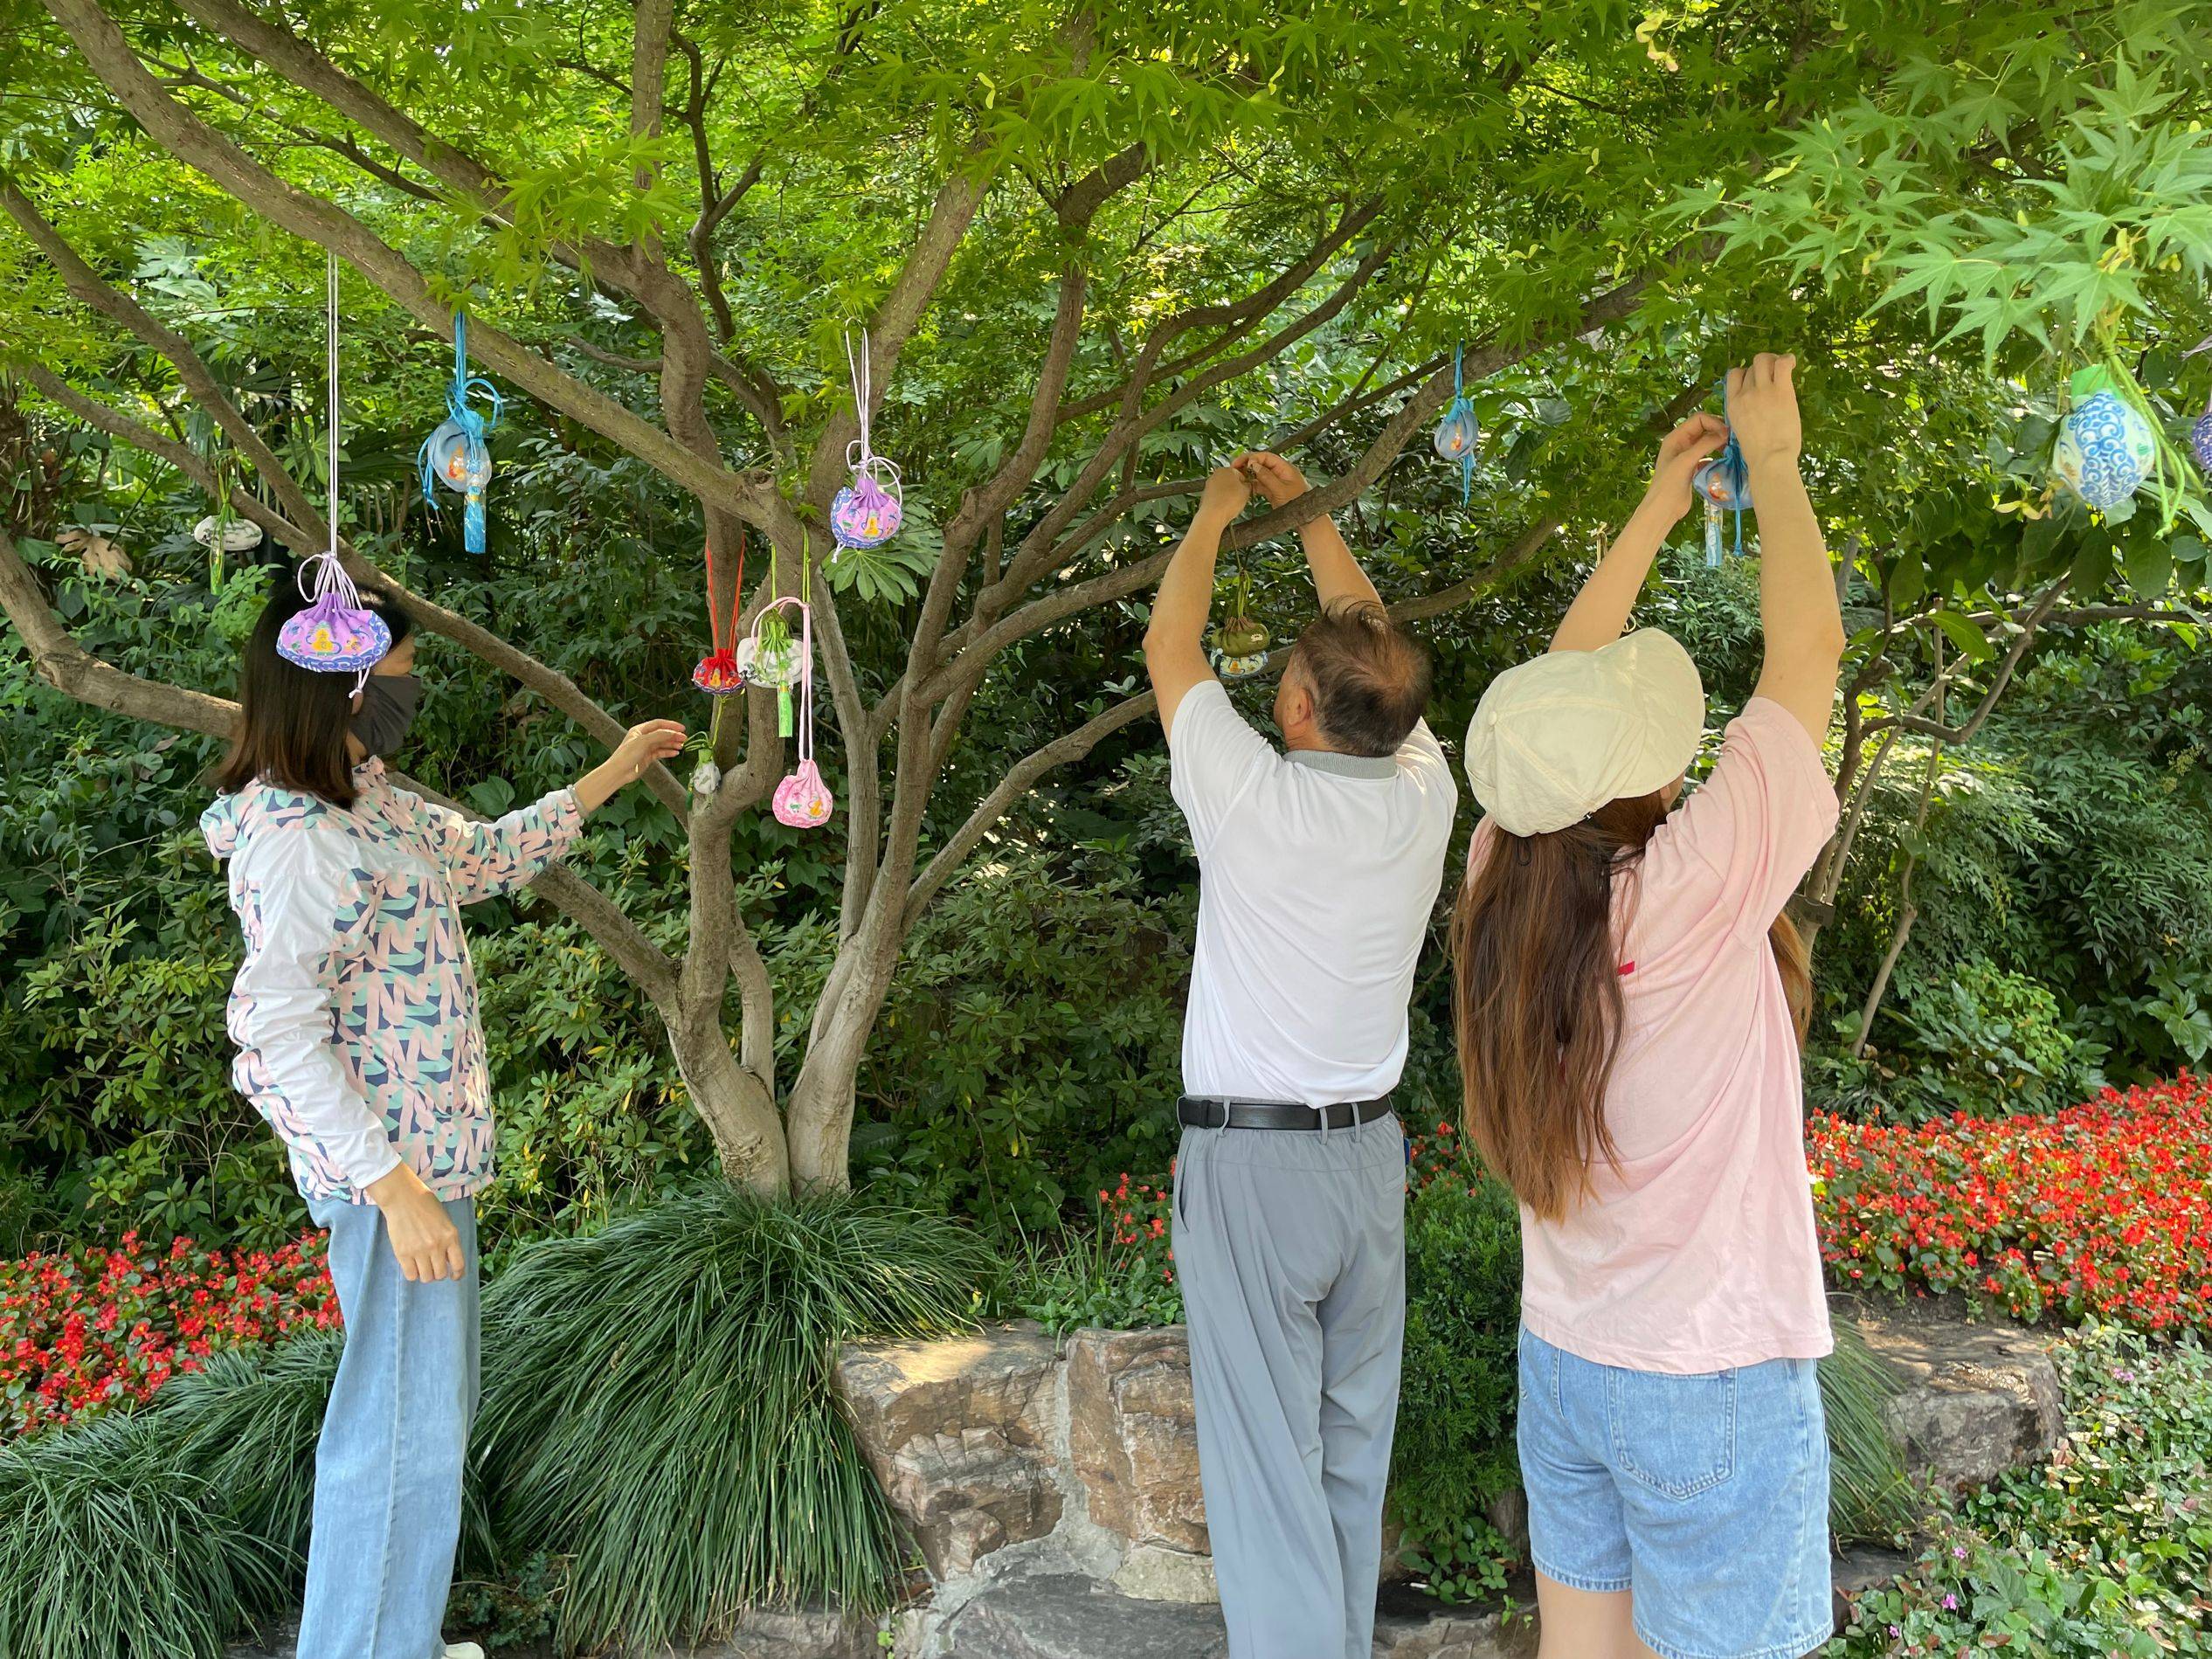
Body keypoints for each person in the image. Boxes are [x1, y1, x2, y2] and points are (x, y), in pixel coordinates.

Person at [201, 572, 685, 1659]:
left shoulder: (365, 801)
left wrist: (614, 770)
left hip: (424, 1171)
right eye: (404, 679)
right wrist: (393, 1189)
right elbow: (273, 1038)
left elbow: (482, 857)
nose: (412, 699)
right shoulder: (302, 839)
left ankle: (391, 1642)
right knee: (398, 1434)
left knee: (421, 1422)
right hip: (396, 1184)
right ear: (347, 685)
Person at [1452, 354, 1844, 1659]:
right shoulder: (1687, 890)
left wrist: (1656, 508)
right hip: (1708, 1372)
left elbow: (1550, 720)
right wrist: (1772, 461)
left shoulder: (1502, 876)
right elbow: (1809, 654)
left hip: (1568, 1360)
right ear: (1639, 776)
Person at [1143, 452, 1456, 1659]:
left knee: (1268, 1478)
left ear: (1294, 709)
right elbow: (1369, 660)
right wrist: (1314, 516)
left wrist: (1216, 510)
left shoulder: (1254, 800)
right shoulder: (1426, 794)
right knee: (1347, 1458)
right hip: (1367, 1162)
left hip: (1254, 1168)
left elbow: (1171, 645)